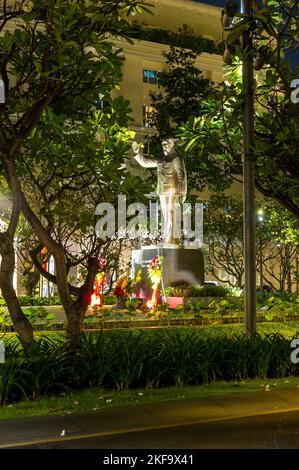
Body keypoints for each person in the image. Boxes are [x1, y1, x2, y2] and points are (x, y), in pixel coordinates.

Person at [132, 137, 187, 246]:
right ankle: (169, 239)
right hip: (162, 190)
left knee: (170, 214)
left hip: (172, 189)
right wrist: (138, 154)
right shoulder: (161, 159)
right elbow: (146, 163)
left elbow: (181, 175)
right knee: (165, 215)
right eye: (163, 144)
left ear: (172, 144)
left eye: (166, 144)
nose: (164, 146)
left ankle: (170, 240)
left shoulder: (176, 159)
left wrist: (183, 191)